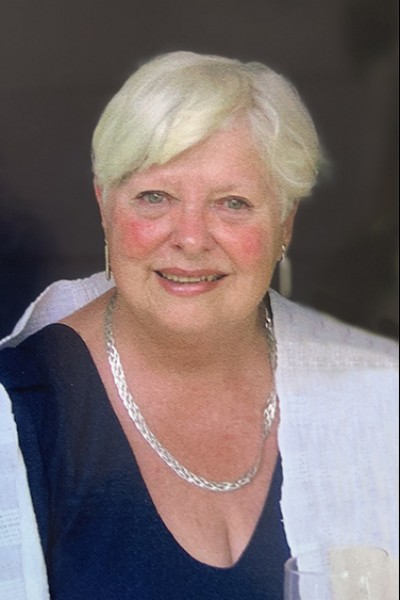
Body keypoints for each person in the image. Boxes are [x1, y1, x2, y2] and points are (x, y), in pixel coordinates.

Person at [0, 51, 397, 600]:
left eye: (233, 203)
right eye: (154, 197)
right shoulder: (19, 408)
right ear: (105, 206)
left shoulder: (378, 398)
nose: (190, 238)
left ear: (285, 223)